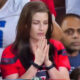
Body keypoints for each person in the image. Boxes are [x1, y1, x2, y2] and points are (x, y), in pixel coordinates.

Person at [0, 1, 70, 79]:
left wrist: (48, 63)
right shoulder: (10, 52)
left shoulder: (58, 46)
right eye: (36, 23)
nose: (41, 28)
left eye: (45, 23)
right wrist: (36, 64)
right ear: (25, 25)